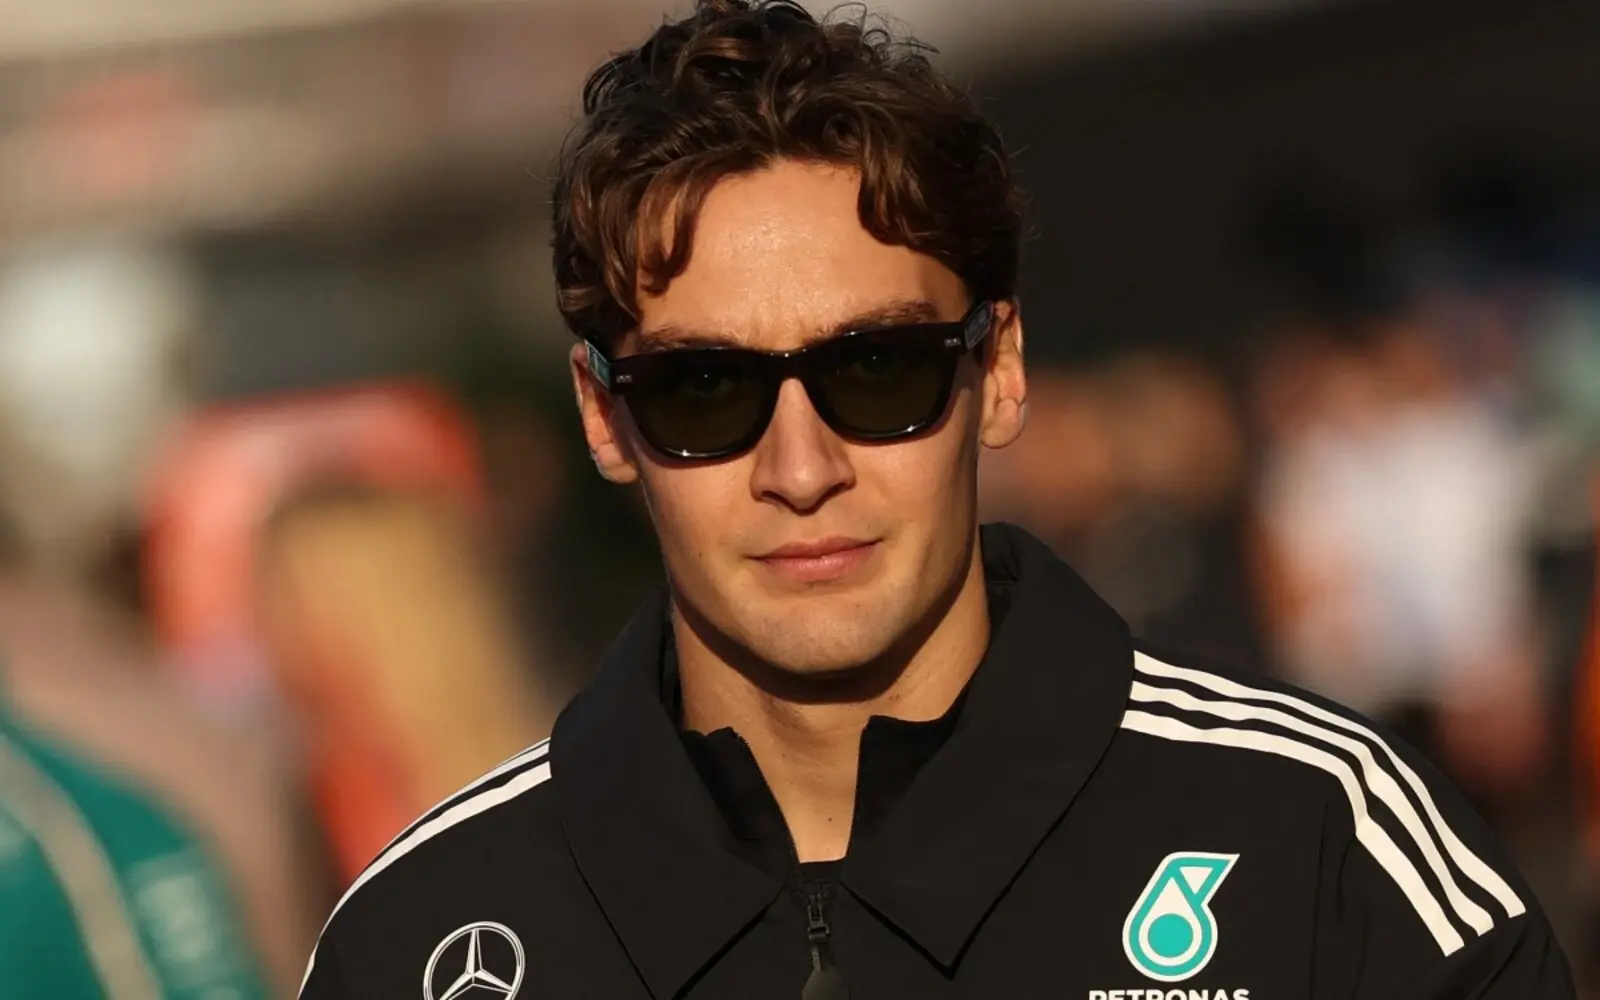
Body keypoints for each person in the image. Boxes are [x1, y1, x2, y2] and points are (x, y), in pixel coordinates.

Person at [297, 2, 1575, 997]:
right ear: (602, 415)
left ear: (998, 369)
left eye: (878, 371)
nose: (801, 467)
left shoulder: (1317, 842)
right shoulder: (416, 942)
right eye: (703, 390)